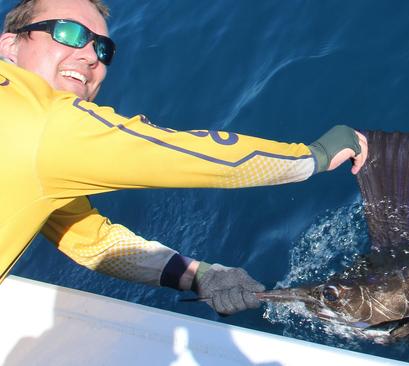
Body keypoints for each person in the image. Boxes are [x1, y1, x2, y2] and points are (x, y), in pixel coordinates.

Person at [0, 0, 368, 315]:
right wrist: (315, 156)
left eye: (102, 48)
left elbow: (89, 239)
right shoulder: (45, 121)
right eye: (69, 33)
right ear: (10, 45)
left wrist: (196, 274)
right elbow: (197, 156)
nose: (88, 55)